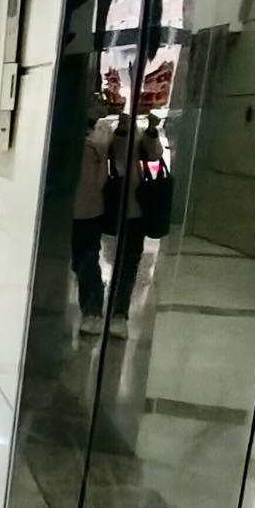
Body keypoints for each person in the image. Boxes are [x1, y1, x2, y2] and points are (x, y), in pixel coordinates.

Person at [73, 73, 164, 338]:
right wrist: (95, 121)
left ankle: (118, 313)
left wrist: (145, 128)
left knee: (128, 262)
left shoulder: (129, 128)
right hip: (91, 205)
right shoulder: (92, 128)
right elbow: (99, 150)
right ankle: (93, 308)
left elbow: (151, 154)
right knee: (85, 257)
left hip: (131, 206)